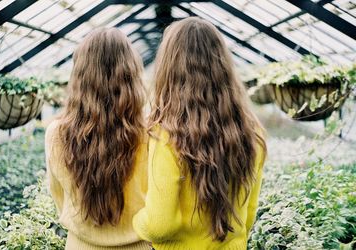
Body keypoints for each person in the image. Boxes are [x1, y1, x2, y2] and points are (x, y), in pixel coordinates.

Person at [133, 17, 267, 250]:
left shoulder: (166, 133)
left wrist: (136, 221)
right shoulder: (252, 132)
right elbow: (248, 213)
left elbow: (159, 225)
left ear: (169, 68)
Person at [45, 27, 149, 250]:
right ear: (131, 73)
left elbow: (58, 195)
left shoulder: (56, 133)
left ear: (79, 74)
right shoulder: (151, 132)